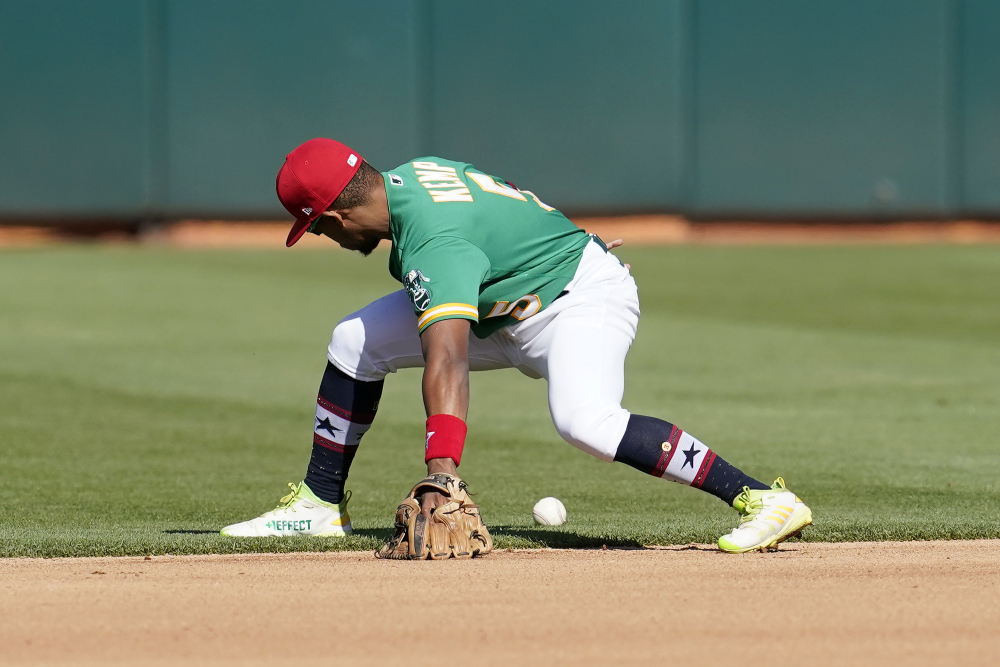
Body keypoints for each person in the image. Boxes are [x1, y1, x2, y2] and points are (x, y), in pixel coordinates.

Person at [220, 138, 813, 553]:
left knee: (586, 422)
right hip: (502, 306)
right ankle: (321, 505)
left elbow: (447, 359)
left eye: (317, 226)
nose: (324, 237)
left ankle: (761, 500)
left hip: (574, 302)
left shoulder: (433, 242)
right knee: (354, 342)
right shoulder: (414, 179)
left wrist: (442, 475)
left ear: (338, 214)